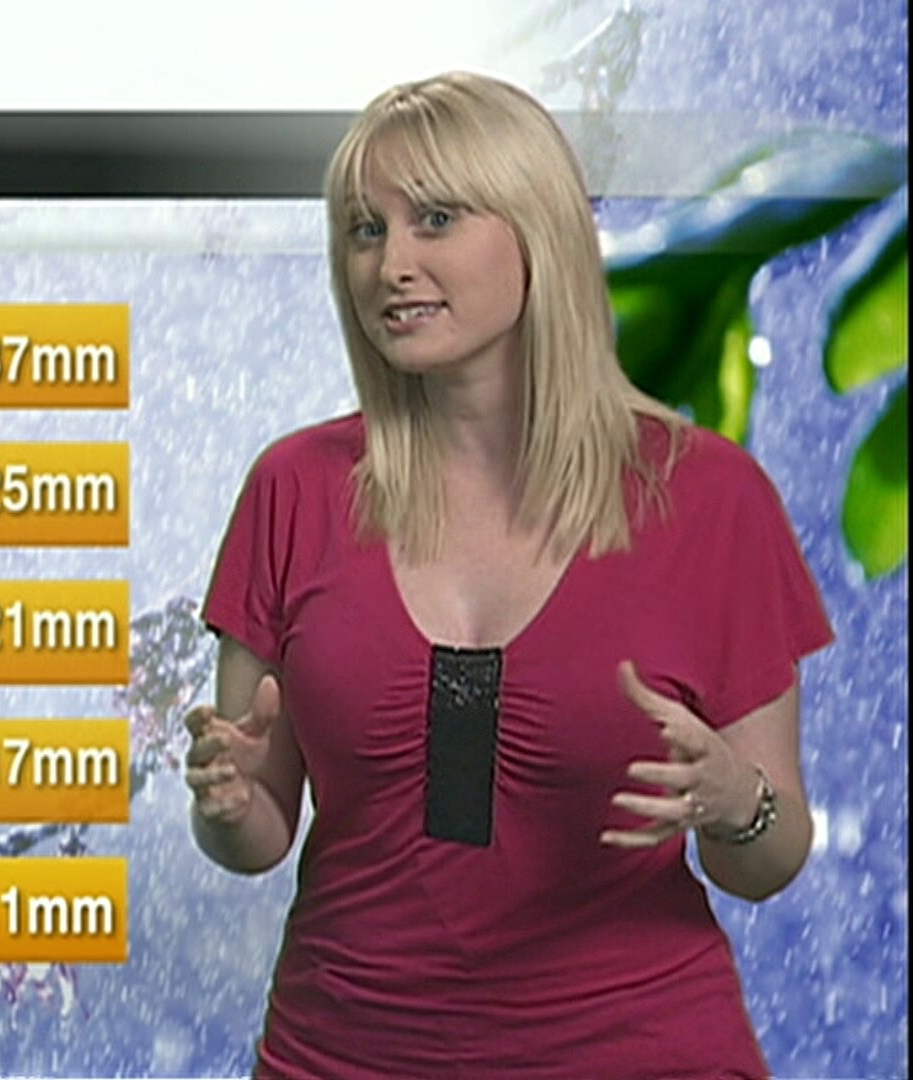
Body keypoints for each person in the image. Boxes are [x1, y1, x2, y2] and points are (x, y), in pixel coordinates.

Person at [185, 71, 834, 1080]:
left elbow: (769, 859)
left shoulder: (709, 499)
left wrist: (732, 799)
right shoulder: (292, 490)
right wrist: (227, 804)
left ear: (540, 232)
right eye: (365, 231)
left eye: (436, 220)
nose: (392, 265)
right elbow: (260, 835)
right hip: (341, 1055)